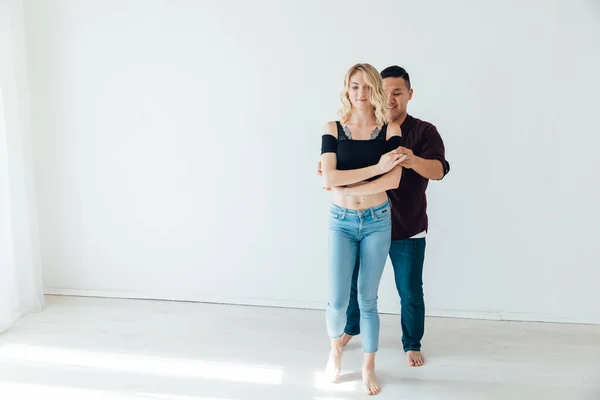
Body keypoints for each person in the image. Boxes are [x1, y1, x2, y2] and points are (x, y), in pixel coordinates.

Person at [319, 66, 450, 368]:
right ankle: (349, 331)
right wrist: (342, 170)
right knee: (349, 289)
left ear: (409, 95)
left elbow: (434, 171)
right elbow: (334, 171)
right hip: (356, 220)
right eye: (385, 91)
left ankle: (411, 344)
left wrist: (408, 159)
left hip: (404, 223)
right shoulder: (354, 128)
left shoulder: (419, 131)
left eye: (397, 93)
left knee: (408, 290)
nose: (389, 98)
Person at [320, 63, 403, 395]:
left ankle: (368, 367)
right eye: (354, 86)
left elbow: (394, 179)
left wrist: (347, 184)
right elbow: (329, 177)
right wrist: (376, 169)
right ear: (346, 89)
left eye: (367, 87)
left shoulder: (391, 131)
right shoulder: (332, 128)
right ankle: (335, 349)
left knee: (367, 300)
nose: (361, 93)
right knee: (338, 301)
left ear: (376, 91)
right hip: (341, 222)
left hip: (377, 221)